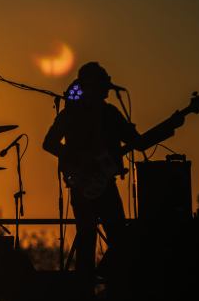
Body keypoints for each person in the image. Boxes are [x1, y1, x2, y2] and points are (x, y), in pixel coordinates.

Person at [43, 62, 141, 287]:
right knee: (91, 238)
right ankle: (88, 291)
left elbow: (137, 141)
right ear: (92, 85)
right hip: (83, 184)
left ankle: (109, 284)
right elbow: (49, 143)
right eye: (103, 82)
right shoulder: (71, 114)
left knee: (116, 238)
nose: (108, 86)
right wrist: (79, 160)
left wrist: (173, 123)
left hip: (103, 183)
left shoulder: (110, 114)